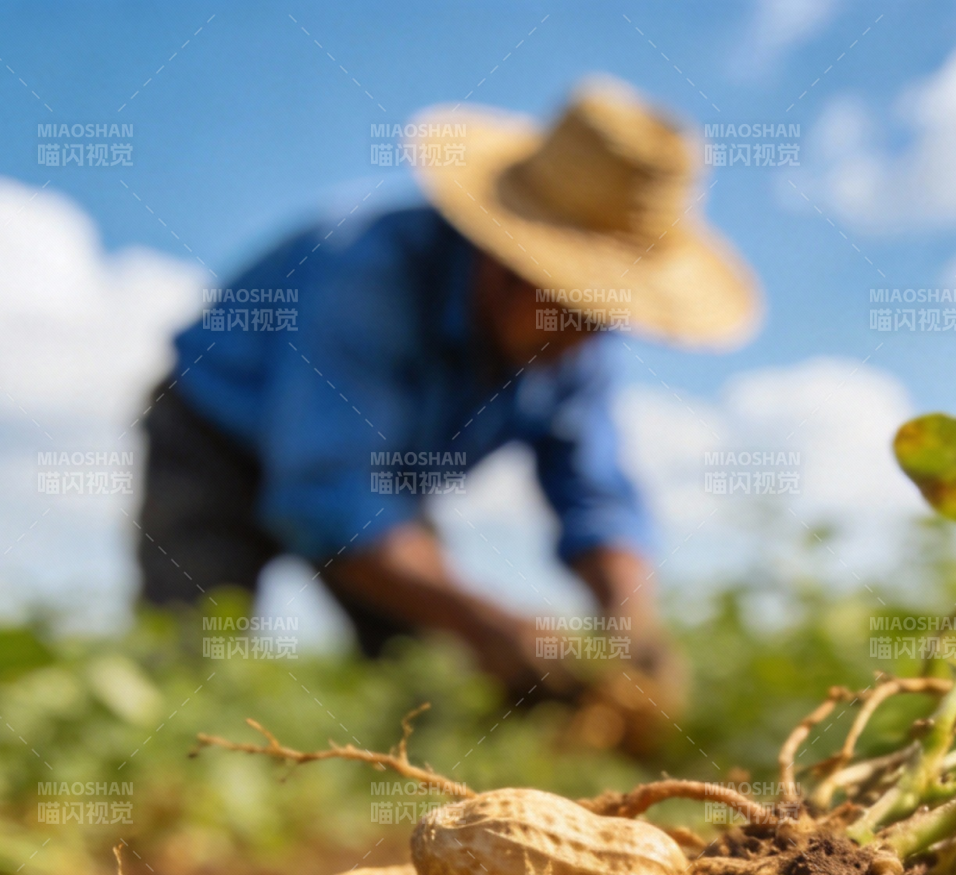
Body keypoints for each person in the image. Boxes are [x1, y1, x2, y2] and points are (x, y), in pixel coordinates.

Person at [137, 75, 761, 719]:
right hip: (214, 439)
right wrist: (493, 625)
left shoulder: (573, 346)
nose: (583, 338)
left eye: (602, 318)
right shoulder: (364, 278)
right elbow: (329, 500)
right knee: (189, 668)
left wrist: (632, 627)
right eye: (574, 307)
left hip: (379, 483)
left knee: (431, 694)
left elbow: (594, 491)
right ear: (508, 261)